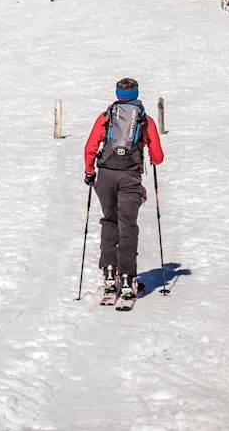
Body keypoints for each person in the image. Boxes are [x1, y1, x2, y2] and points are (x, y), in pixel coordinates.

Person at [83, 77, 164, 302]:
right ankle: (128, 278)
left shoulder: (107, 117)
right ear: (136, 94)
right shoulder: (145, 120)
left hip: (106, 175)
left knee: (110, 221)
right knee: (128, 226)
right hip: (130, 177)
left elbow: (90, 147)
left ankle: (109, 274)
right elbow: (158, 157)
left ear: (118, 94)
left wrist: (90, 172)